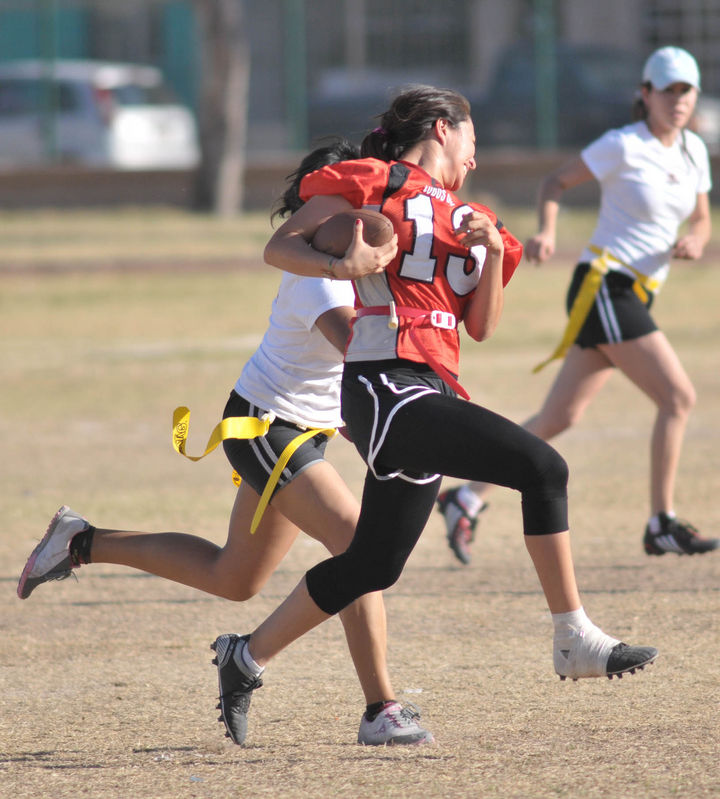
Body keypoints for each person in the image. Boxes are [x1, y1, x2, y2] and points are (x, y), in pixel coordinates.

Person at [207, 85, 659, 746]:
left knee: (372, 565)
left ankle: (244, 657)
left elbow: (479, 328)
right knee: (542, 466)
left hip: (432, 389)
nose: (475, 159)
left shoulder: (471, 216)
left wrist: (497, 253)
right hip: (386, 386)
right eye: (472, 139)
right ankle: (572, 637)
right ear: (444, 128)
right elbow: (283, 246)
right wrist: (342, 260)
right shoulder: (375, 182)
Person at [16, 139, 436, 748]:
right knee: (357, 543)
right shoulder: (317, 274)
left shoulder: (353, 260)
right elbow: (362, 354)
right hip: (267, 428)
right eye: (357, 194)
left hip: (298, 431)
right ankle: (378, 707)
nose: (375, 205)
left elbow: (352, 382)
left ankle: (80, 541)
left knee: (233, 575)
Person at [437, 46, 719, 564]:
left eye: (687, 90)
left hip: (633, 294)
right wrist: (545, 231)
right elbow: (554, 182)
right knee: (678, 397)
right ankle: (661, 523)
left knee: (560, 415)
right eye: (668, 89)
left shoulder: (694, 152)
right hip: (604, 285)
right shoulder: (623, 145)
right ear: (646, 94)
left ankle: (465, 497)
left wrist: (697, 237)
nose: (678, 100)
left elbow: (701, 216)